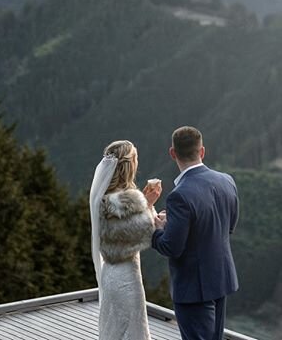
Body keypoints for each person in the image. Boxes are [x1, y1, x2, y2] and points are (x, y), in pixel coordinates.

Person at [152, 126, 239, 340]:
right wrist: (173, 223)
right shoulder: (226, 181)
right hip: (220, 279)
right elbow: (227, 226)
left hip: (193, 288)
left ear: (173, 153)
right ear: (202, 151)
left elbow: (171, 247)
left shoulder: (179, 196)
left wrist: (156, 229)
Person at [89, 140, 162, 340]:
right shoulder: (124, 200)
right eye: (135, 159)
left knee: (114, 329)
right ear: (129, 165)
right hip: (126, 276)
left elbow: (119, 233)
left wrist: (145, 204)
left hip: (109, 274)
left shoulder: (103, 197)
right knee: (132, 329)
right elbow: (140, 233)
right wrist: (149, 204)